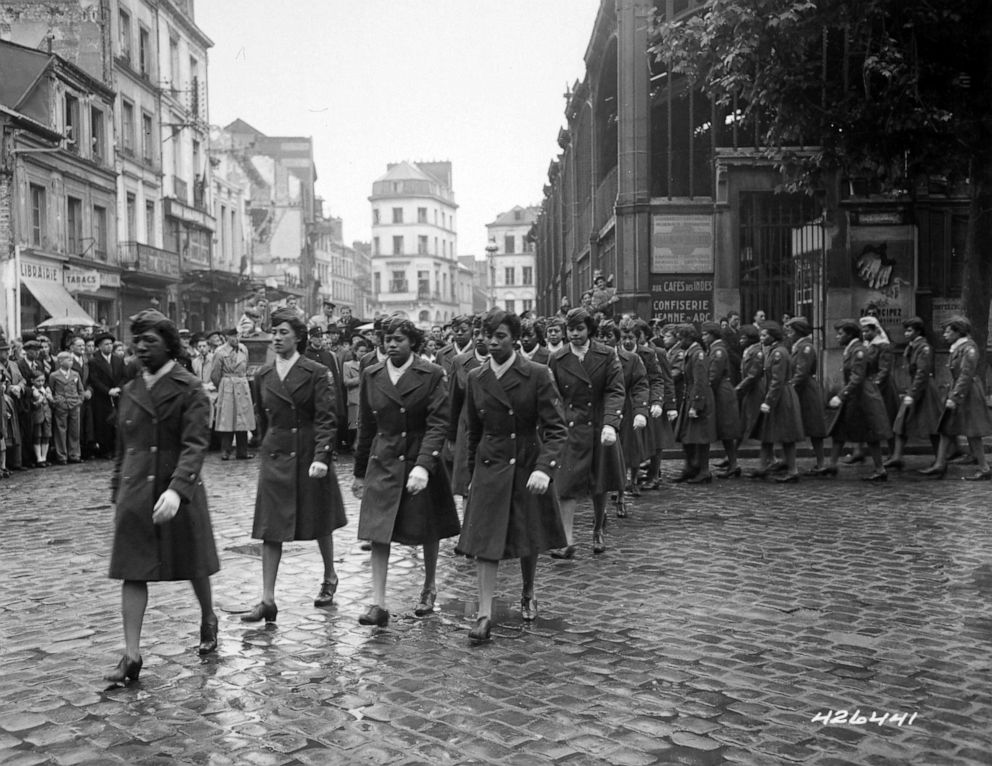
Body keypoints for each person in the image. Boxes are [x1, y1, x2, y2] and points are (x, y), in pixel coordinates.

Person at [105, 310, 220, 685]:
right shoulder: (131, 389)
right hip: (137, 491)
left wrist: (178, 488)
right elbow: (124, 446)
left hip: (178, 491)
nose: (141, 347)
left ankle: (208, 617)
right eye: (136, 340)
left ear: (169, 345)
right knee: (132, 570)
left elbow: (195, 443)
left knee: (194, 563)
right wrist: (117, 488)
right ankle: (131, 655)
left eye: (150, 340)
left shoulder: (189, 388)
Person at [456, 309, 568, 643]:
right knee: (484, 542)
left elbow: (556, 428)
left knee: (526, 534)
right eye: (488, 335)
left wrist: (543, 469)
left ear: (515, 338)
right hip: (490, 466)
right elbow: (474, 431)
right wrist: (471, 474)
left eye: (500, 336)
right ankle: (484, 613)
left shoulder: (537, 374)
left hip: (526, 464)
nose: (492, 342)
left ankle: (529, 589)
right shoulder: (476, 378)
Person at [351, 317, 459, 627]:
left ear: (412, 341)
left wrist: (424, 465)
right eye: (387, 338)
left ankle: (429, 586)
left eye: (398, 338)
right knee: (378, 529)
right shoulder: (372, 374)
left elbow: (439, 423)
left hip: (419, 459)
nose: (391, 344)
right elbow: (367, 425)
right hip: (383, 460)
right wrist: (359, 472)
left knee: (428, 528)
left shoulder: (431, 374)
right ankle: (378, 601)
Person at [242, 308, 348, 622]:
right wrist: (266, 446)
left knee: (320, 520)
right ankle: (267, 599)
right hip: (276, 456)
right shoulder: (263, 374)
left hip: (307, 455)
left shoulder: (316, 372)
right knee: (270, 528)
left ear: (298, 337)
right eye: (273, 332)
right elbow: (263, 417)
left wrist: (321, 456)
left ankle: (330, 576)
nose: (276, 337)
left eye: (283, 332)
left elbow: (328, 418)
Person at [548, 308, 625, 556]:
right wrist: (555, 423)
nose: (574, 334)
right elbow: (552, 395)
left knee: (599, 481)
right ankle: (566, 539)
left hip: (599, 426)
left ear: (589, 330)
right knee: (566, 484)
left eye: (579, 329)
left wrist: (611, 423)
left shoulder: (606, 354)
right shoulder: (558, 358)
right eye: (570, 330)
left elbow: (615, 389)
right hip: (571, 428)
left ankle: (598, 528)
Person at [919, 316, 992, 480]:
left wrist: (955, 396)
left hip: (968, 394)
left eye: (948, 331)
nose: (944, 334)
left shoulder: (969, 349)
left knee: (972, 432)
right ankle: (939, 464)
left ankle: (984, 467)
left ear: (958, 332)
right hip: (959, 391)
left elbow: (966, 375)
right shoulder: (958, 348)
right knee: (946, 427)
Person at [821, 320, 892, 480]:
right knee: (840, 430)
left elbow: (857, 377)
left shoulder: (858, 350)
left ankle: (880, 469)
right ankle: (832, 465)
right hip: (854, 395)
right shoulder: (851, 349)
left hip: (862, 396)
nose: (837, 337)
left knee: (871, 432)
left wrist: (840, 396)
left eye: (840, 333)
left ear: (850, 334)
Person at [747, 321, 805, 482]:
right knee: (767, 434)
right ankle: (762, 467)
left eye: (765, 335)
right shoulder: (773, 351)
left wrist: (769, 400)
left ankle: (793, 471)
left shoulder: (778, 353)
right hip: (776, 395)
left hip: (781, 396)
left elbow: (777, 380)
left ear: (773, 337)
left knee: (786, 435)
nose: (761, 337)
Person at [885, 317, 941, 469]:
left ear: (918, 331)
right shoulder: (912, 347)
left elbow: (922, 373)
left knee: (932, 425)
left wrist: (912, 393)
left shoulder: (924, 348)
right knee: (900, 422)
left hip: (924, 390)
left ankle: (940, 459)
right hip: (914, 388)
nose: (906, 334)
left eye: (910, 330)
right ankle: (897, 456)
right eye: (906, 330)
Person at [673, 324, 716, 484]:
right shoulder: (691, 353)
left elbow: (700, 381)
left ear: (688, 338)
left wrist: (696, 405)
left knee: (700, 437)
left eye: (681, 339)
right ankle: (690, 467)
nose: (679, 342)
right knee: (687, 435)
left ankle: (704, 470)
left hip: (698, 398)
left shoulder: (698, 354)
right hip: (690, 396)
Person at [784, 318, 827, 473]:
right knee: (794, 426)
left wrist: (789, 388)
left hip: (807, 391)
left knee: (814, 428)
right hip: (800, 390)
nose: (788, 334)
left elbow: (801, 373)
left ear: (797, 331)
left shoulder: (805, 348)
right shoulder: (798, 346)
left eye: (790, 330)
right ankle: (788, 461)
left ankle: (821, 463)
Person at [701, 321, 741, 479]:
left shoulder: (718, 350)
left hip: (721, 392)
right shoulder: (716, 348)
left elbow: (714, 375)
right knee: (725, 431)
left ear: (712, 335)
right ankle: (732, 463)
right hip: (721, 390)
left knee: (727, 429)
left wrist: (706, 389)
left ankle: (733, 464)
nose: (703, 337)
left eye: (705, 334)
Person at [210, 328, 256, 460]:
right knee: (227, 420)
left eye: (237, 335)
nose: (236, 339)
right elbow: (214, 375)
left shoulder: (243, 349)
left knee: (243, 420)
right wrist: (223, 386)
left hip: (242, 385)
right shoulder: (220, 352)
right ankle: (225, 451)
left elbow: (245, 366)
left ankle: (242, 451)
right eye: (233, 336)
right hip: (227, 386)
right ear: (227, 338)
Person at [87, 332, 126, 459]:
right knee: (103, 423)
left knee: (117, 422)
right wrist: (108, 390)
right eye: (106, 344)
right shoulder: (94, 361)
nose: (109, 346)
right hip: (102, 397)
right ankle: (106, 449)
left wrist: (119, 388)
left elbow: (124, 376)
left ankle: (116, 449)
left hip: (117, 395)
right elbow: (94, 380)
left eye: (110, 344)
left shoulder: (118, 360)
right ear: (99, 346)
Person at [49, 351, 85, 465]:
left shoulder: (75, 374)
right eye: (68, 359)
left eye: (71, 359)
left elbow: (81, 389)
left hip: (74, 405)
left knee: (75, 431)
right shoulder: (54, 375)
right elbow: (51, 390)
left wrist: (79, 400)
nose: (71, 361)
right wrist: (56, 402)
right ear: (60, 361)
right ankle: (62, 456)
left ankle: (74, 454)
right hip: (61, 406)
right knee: (61, 430)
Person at [29, 371, 54, 467]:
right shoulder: (32, 391)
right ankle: (38, 458)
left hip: (47, 416)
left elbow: (52, 402)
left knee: (46, 436)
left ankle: (44, 457)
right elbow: (32, 405)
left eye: (42, 380)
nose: (40, 383)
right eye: (38, 381)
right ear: (32, 381)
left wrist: (50, 398)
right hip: (37, 416)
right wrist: (39, 401)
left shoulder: (46, 390)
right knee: (37, 436)